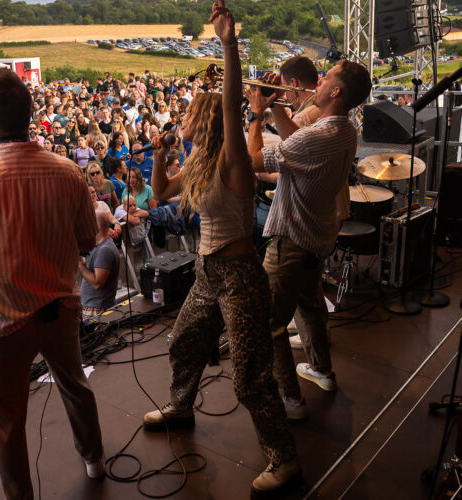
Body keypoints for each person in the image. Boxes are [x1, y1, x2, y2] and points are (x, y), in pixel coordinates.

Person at [143, 1, 300, 493]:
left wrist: (230, 45)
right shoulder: (199, 163)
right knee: (185, 341)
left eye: (190, 112)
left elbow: (232, 105)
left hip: (239, 276)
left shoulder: (233, 161)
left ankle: (285, 459)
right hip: (208, 272)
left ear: (208, 120)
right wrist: (160, 156)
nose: (182, 116)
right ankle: (180, 406)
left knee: (250, 376)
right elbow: (160, 193)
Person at [0, 66, 105, 500]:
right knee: (75, 386)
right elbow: (87, 240)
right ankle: (94, 460)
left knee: (8, 416)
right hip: (61, 309)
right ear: (30, 114)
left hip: (2, 320)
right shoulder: (68, 171)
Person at [247, 59, 372, 413]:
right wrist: (274, 104)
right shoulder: (345, 130)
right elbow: (294, 139)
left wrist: (256, 115)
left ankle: (291, 399)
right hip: (315, 239)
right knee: (311, 307)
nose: (318, 82)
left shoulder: (318, 135)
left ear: (336, 91)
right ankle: (322, 370)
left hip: (291, 241)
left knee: (269, 323)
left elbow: (254, 160)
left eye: (326, 77)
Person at [78, 211, 120, 318]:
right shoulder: (97, 246)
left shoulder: (104, 250)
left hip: (96, 310)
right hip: (91, 307)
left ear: (95, 225)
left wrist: (79, 264)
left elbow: (98, 283)